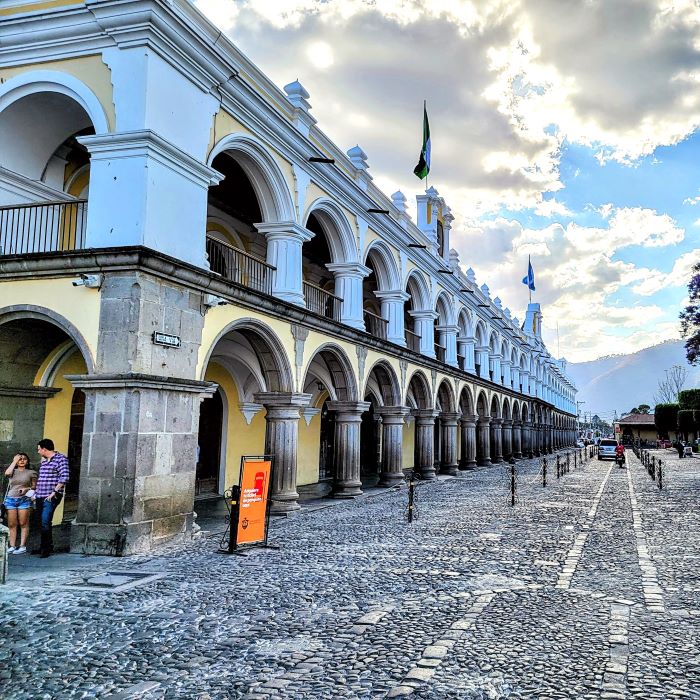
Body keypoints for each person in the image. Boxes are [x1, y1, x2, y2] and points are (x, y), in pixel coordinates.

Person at [34, 438, 69, 558]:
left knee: (45, 521)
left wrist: (54, 492)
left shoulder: (61, 459)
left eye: (39, 449)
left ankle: (46, 549)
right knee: (41, 522)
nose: (38, 451)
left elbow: (64, 477)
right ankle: (45, 545)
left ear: (44, 449)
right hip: (40, 495)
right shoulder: (44, 461)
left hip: (51, 496)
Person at [3, 453, 38, 554]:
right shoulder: (12, 471)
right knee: (11, 524)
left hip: (24, 499)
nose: (22, 461)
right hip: (10, 499)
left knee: (23, 523)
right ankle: (12, 546)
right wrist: (14, 461)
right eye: (20, 459)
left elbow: (34, 486)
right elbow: (7, 474)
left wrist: (26, 488)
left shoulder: (31, 472)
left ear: (27, 461)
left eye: (24, 459)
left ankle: (22, 546)